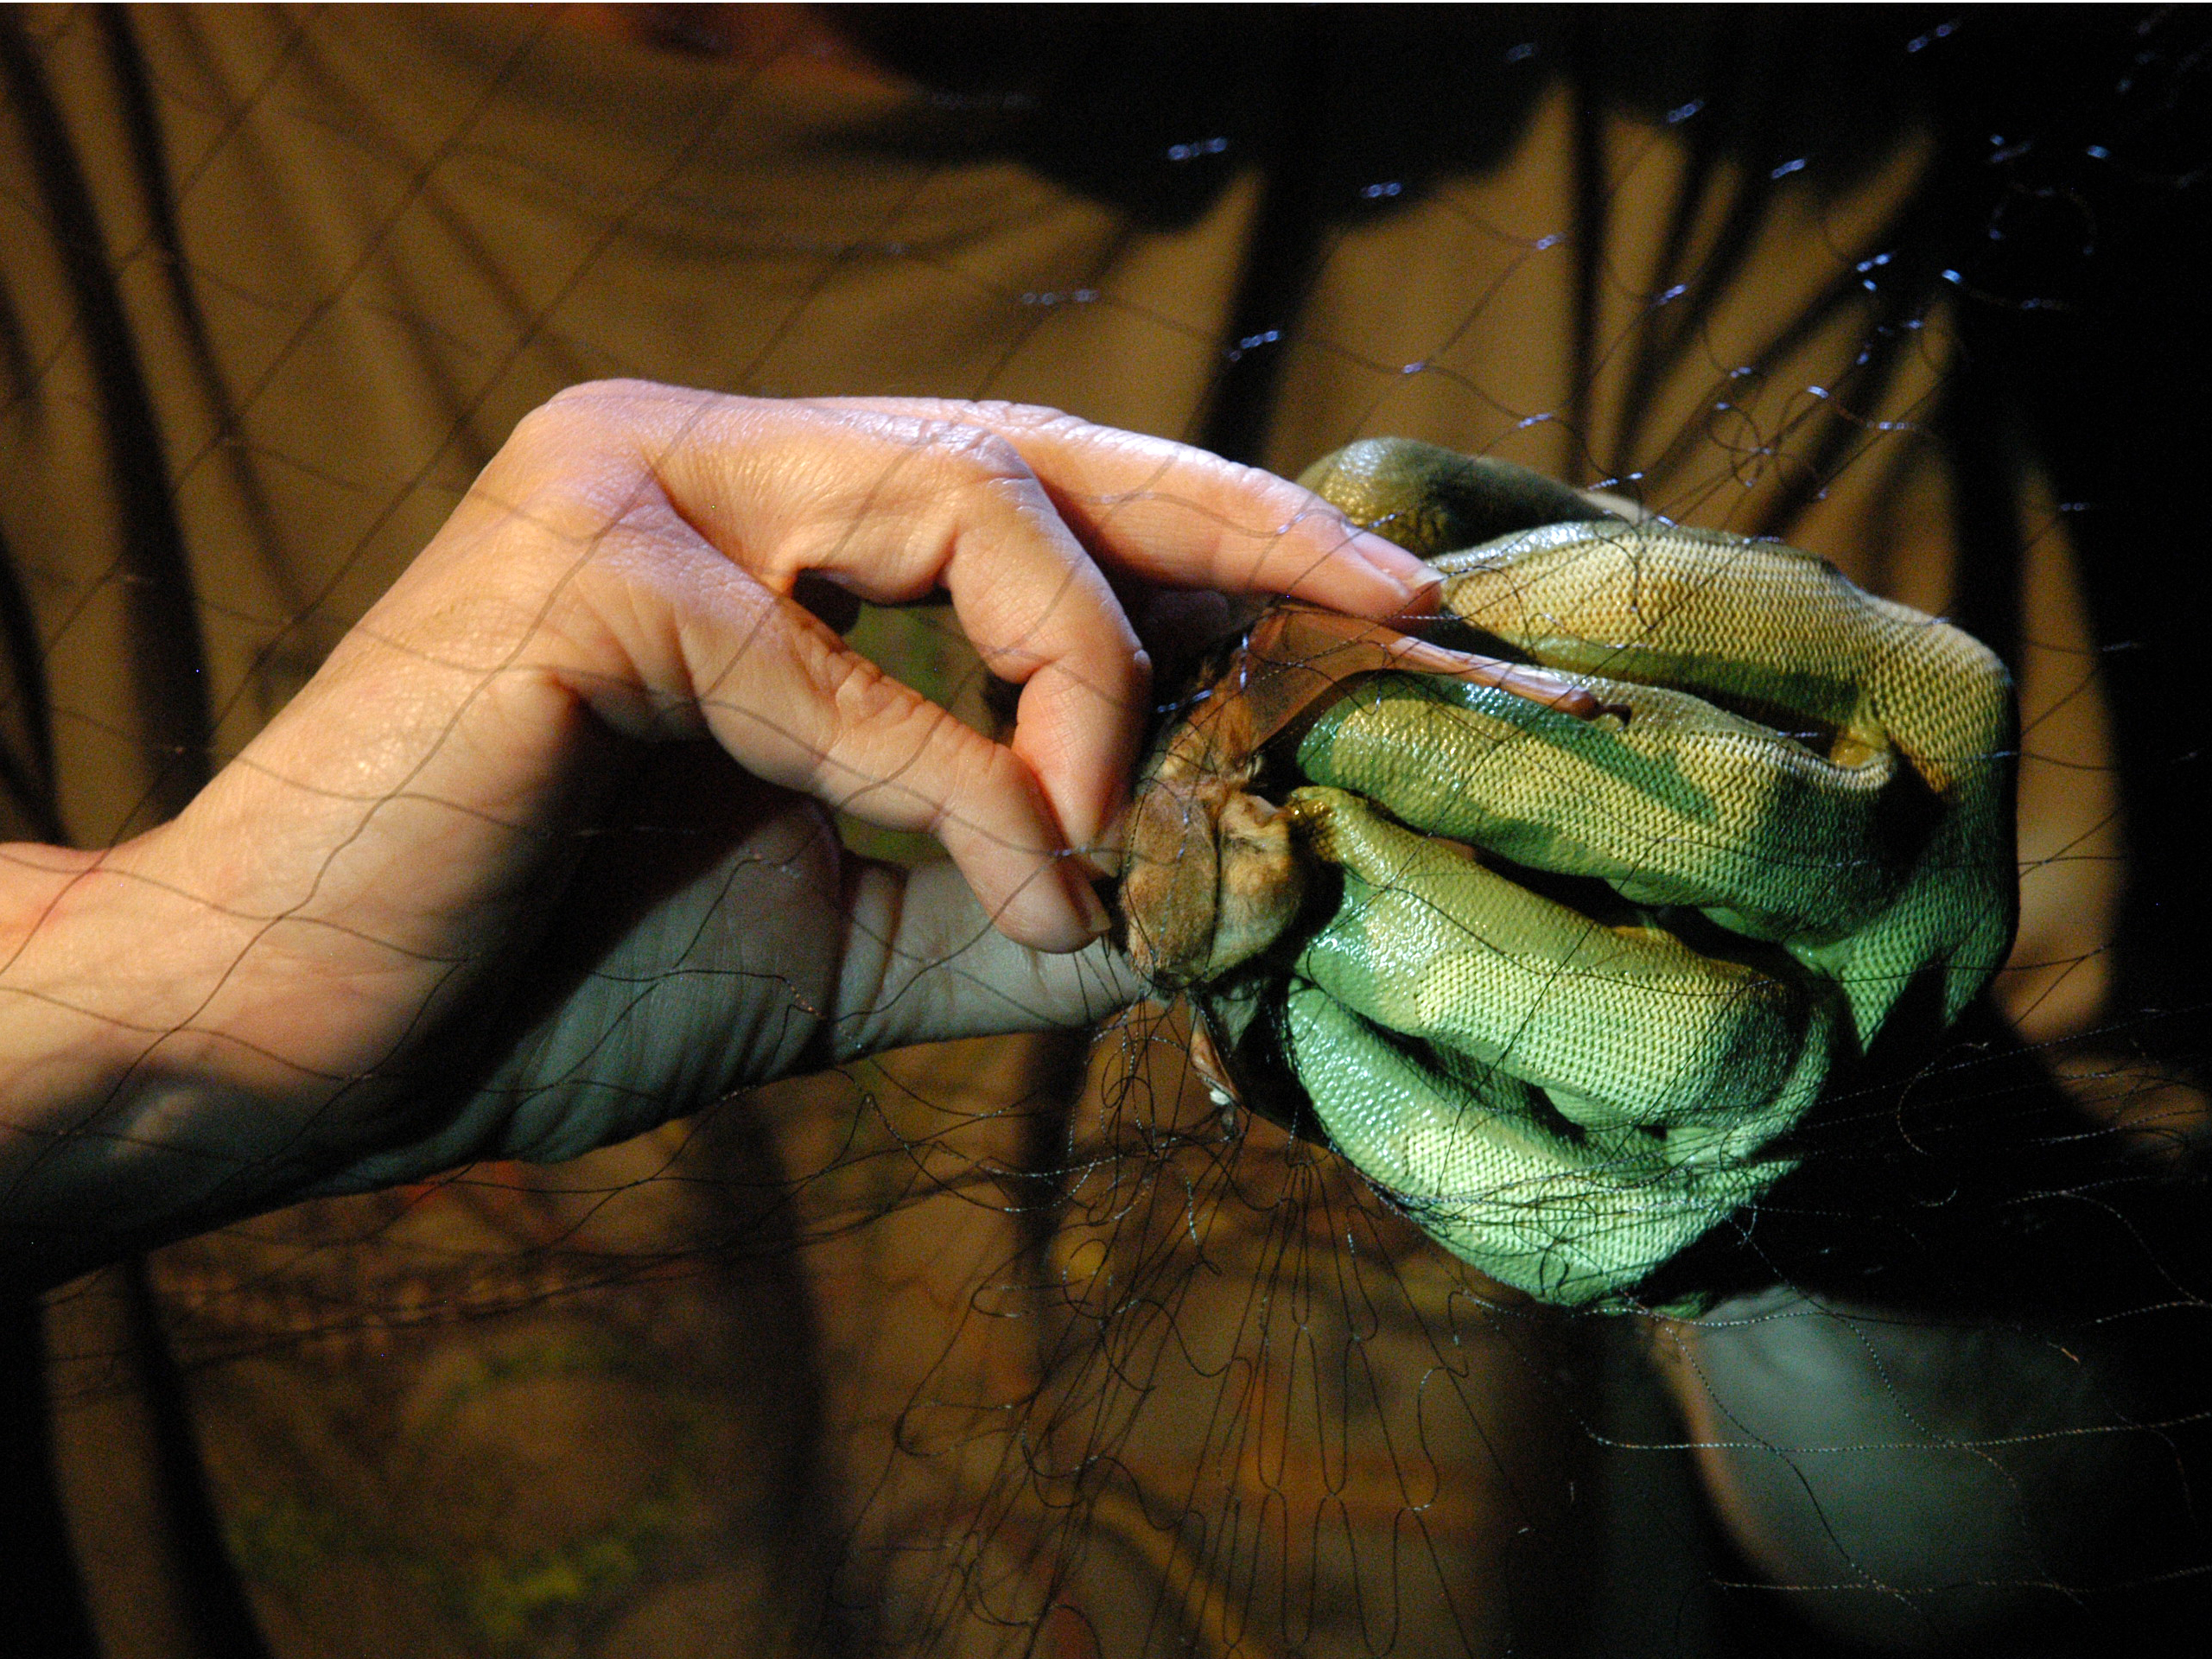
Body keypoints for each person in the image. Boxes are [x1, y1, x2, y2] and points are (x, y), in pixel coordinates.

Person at [2, 6, 2203, 1656]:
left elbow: (2030, 1549)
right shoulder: (64, 137)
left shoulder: (1656, 136)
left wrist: (1861, 1177)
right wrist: (170, 1013)